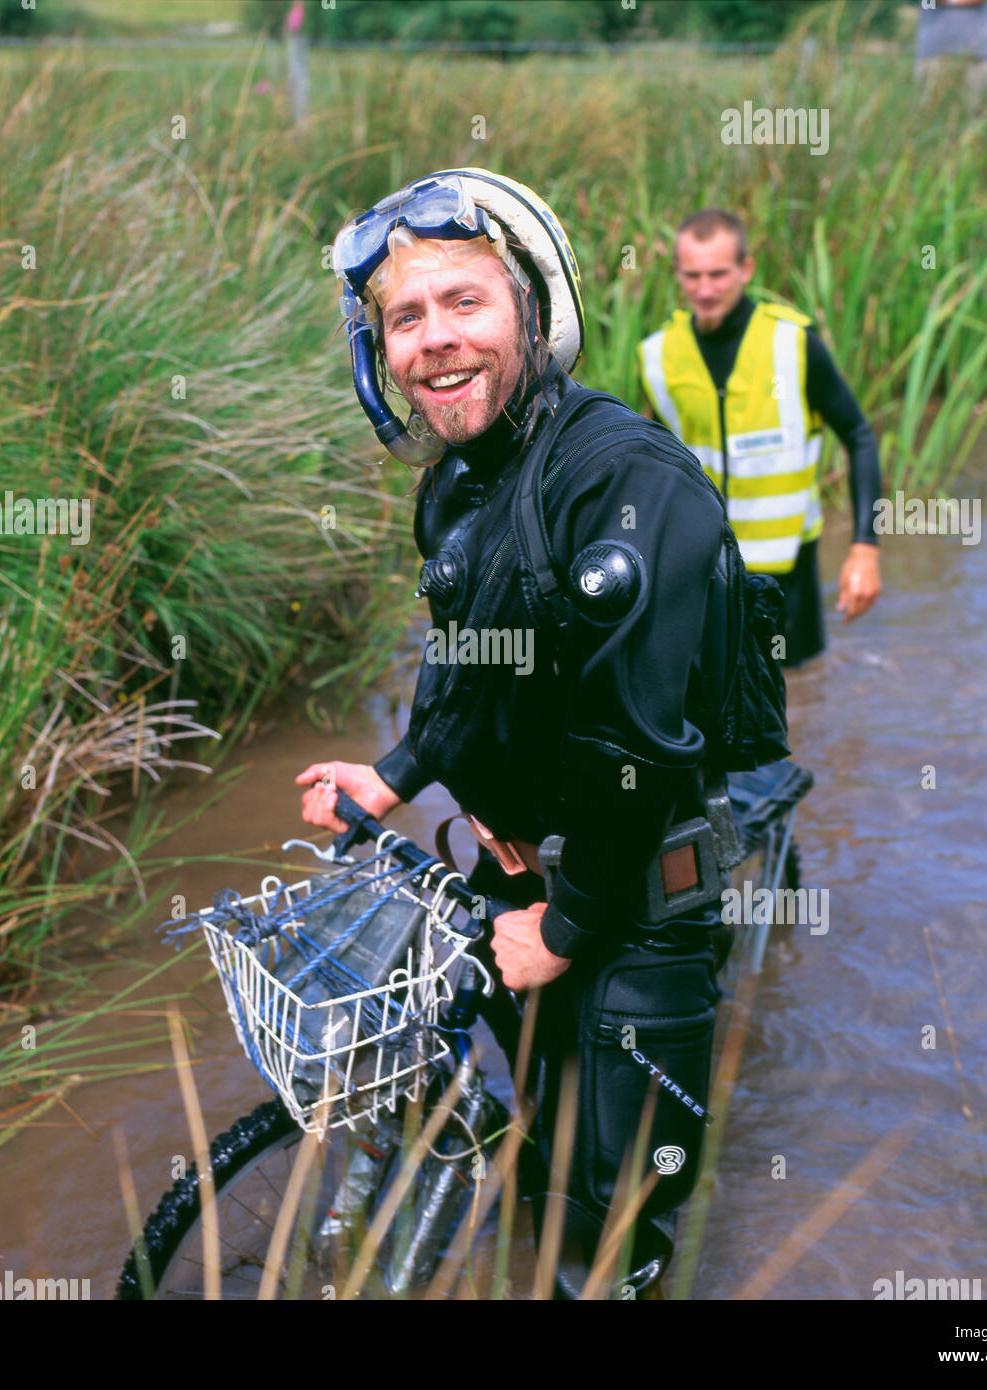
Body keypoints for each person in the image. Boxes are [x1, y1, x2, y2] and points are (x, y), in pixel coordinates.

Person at [294, 169, 759, 1298]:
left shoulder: (625, 480)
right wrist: (394, 773)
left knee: (619, 1227)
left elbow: (635, 742)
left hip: (632, 898)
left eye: (465, 303)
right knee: (542, 1149)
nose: (433, 342)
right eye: (405, 318)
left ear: (533, 313)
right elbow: (463, 662)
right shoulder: (458, 480)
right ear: (379, 355)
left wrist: (571, 920)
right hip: (524, 884)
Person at [638, 208, 882, 667]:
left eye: (718, 274)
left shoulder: (793, 343)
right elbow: (657, 470)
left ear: (746, 270)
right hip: (704, 568)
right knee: (714, 701)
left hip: (789, 573)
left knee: (803, 697)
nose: (705, 290)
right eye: (692, 276)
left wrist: (865, 548)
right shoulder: (657, 357)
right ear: (677, 273)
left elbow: (858, 434)